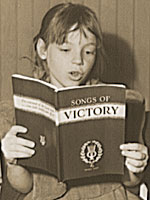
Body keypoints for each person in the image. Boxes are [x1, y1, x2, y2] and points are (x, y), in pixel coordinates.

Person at [0, 3, 149, 200]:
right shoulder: (19, 109)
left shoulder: (117, 103)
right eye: (65, 49)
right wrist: (12, 161)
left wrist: (135, 167)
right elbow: (24, 186)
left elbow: (130, 182)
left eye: (88, 52)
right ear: (43, 49)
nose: (78, 60)